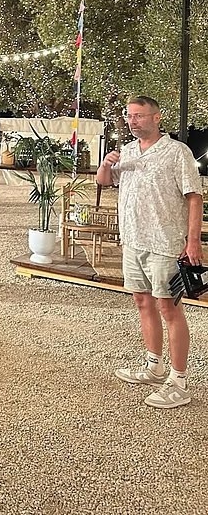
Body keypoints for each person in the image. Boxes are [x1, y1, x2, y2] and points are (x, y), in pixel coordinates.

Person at [96, 95, 203, 409]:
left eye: (139, 116)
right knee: (142, 301)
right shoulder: (127, 151)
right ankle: (154, 366)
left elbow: (194, 197)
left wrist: (193, 241)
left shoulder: (176, 152)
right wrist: (105, 164)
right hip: (133, 241)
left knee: (169, 308)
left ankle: (179, 382)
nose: (133, 121)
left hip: (165, 243)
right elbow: (104, 181)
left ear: (157, 117)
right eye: (129, 116)